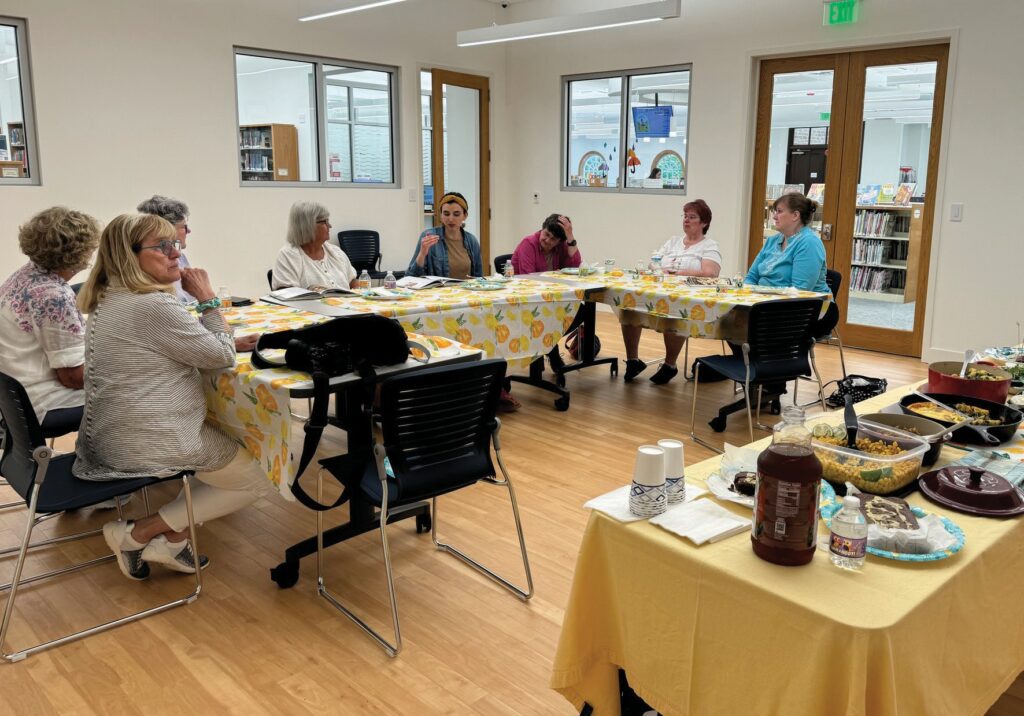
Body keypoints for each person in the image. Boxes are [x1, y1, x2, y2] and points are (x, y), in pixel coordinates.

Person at [74, 213, 276, 580]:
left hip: (111, 434)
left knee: (224, 457)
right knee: (258, 478)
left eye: (176, 245)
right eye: (163, 247)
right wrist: (209, 300)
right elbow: (223, 356)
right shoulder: (151, 306)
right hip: (148, 440)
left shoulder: (112, 298)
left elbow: (174, 348)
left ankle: (173, 539)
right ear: (128, 255)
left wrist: (210, 339)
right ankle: (137, 533)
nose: (176, 254)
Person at [0, 207, 99, 431]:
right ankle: (120, 463)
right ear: (82, 253)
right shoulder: (54, 296)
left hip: (12, 400)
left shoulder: (25, 274)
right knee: (137, 393)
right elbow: (72, 378)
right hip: (43, 404)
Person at [138, 194, 258, 352]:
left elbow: (190, 309)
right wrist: (207, 297)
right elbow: (222, 355)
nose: (189, 231)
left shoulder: (178, 258)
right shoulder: (151, 274)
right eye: (184, 227)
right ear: (166, 229)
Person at [621, 199, 722, 385]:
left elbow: (710, 273)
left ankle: (670, 365)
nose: (686, 220)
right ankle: (633, 361)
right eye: (685, 216)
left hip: (688, 295)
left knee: (675, 310)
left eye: (692, 217)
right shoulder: (673, 241)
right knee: (629, 304)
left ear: (704, 223)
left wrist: (677, 272)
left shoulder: (709, 245)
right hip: (661, 289)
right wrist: (660, 268)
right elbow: (654, 263)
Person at [747, 192, 837, 336]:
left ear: (795, 215)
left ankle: (754, 357)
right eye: (775, 212)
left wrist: (761, 303)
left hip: (807, 310)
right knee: (732, 319)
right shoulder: (772, 241)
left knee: (747, 326)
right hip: (767, 305)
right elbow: (751, 277)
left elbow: (799, 292)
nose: (774, 216)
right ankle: (747, 357)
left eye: (780, 211)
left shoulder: (809, 243)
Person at [272, 201, 358, 292]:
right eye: (324, 222)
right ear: (307, 226)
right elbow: (286, 294)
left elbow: (353, 282)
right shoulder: (289, 255)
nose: (330, 226)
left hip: (345, 305)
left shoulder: (336, 252)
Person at [406, 192, 483, 279]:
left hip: (467, 292)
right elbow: (410, 277)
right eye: (446, 214)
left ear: (465, 216)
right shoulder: (429, 237)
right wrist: (422, 253)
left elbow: (479, 278)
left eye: (456, 214)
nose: (450, 219)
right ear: (441, 215)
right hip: (438, 291)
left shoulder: (472, 241)